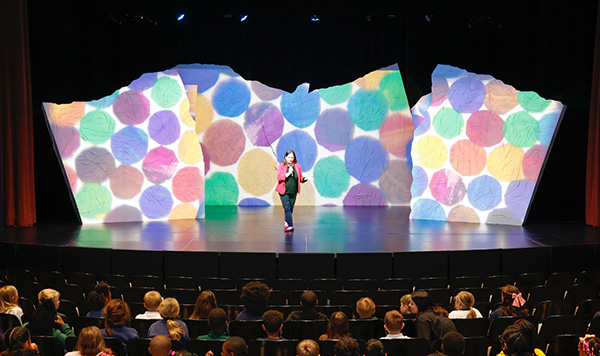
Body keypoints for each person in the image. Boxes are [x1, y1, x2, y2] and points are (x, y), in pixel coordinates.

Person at [276, 150, 308, 232]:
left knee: (290, 209)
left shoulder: (297, 166)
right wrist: (288, 173)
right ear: (285, 157)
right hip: (284, 191)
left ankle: (286, 222)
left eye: (292, 157)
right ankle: (290, 225)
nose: (290, 159)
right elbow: (279, 178)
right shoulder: (281, 166)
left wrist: (305, 179)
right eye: (289, 157)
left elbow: (300, 178)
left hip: (293, 191)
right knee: (287, 208)